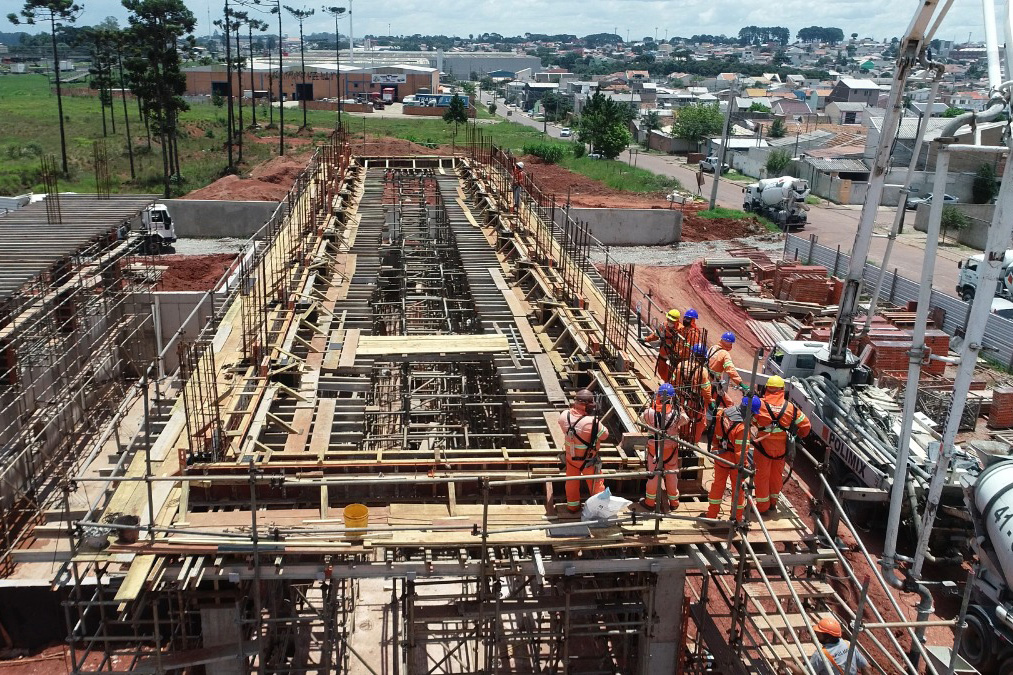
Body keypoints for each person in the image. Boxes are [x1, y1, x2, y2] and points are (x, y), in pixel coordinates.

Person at [752, 375, 811, 515]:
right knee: (776, 476)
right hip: (781, 450)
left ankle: (762, 507)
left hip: (763, 447)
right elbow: (806, 426)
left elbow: (749, 420)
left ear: (767, 388)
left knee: (762, 476)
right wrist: (798, 436)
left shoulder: (759, 404)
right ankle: (773, 503)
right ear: (782, 390)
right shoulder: (790, 408)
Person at [706, 396, 759, 520]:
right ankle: (737, 518)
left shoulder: (722, 413)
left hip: (720, 457)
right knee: (738, 490)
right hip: (734, 463)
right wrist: (744, 466)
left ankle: (711, 515)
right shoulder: (742, 428)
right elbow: (740, 453)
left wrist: (716, 446)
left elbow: (714, 433)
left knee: (717, 486)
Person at [638, 383, 688, 511]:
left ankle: (650, 502)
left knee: (653, 476)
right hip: (671, 451)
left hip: (654, 450)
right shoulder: (677, 414)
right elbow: (686, 420)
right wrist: (680, 409)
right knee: (671, 475)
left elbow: (642, 420)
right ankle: (674, 502)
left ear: (658, 396)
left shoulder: (649, 412)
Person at [557, 389, 608, 513]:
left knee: (571, 483)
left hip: (571, 459)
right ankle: (598, 510)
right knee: (596, 484)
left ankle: (572, 507)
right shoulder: (592, 422)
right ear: (587, 405)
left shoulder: (564, 415)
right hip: (588, 461)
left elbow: (563, 427)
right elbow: (604, 435)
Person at [672, 344, 713, 443]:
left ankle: (683, 440)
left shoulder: (680, 365)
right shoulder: (703, 371)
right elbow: (706, 390)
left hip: (681, 399)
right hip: (695, 403)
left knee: (683, 420)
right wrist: (709, 401)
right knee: (700, 423)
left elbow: (673, 382)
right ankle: (693, 443)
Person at [805, 617, 871, 675]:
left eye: (819, 633)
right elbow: (866, 667)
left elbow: (804, 673)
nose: (816, 634)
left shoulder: (819, 655)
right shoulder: (848, 644)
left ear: (828, 638)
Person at [708, 332, 747, 407]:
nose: (731, 345)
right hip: (713, 383)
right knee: (729, 404)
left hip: (704, 379)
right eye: (730, 343)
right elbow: (730, 369)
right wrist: (740, 383)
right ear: (727, 343)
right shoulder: (725, 354)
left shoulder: (712, 348)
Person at [643, 309, 682, 382]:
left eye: (672, 321)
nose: (670, 322)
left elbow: (682, 346)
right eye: (669, 319)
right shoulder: (664, 325)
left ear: (677, 320)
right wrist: (646, 339)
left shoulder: (681, 330)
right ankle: (665, 382)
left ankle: (669, 386)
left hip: (673, 358)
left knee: (671, 376)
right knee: (661, 372)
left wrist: (677, 354)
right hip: (663, 355)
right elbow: (655, 335)